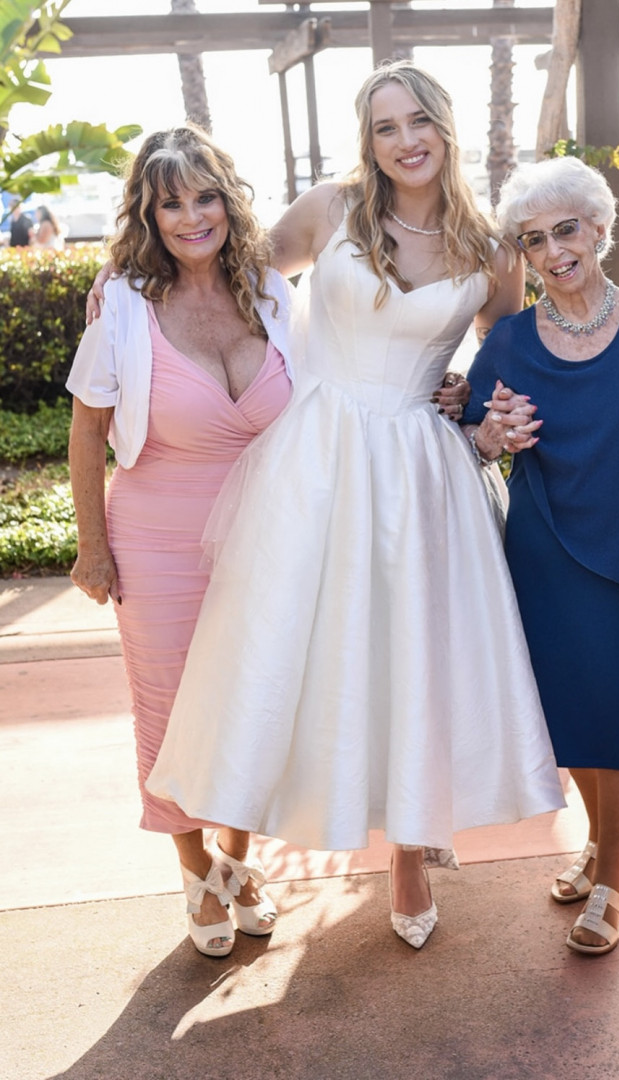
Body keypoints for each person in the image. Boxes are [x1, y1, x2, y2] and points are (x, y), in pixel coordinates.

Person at [144, 61, 565, 950]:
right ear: (366, 141)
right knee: (286, 648)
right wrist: (125, 297)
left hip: (421, 468)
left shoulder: (491, 248)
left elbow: (501, 354)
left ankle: (410, 855)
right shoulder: (330, 211)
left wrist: (474, 402)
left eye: (418, 121)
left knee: (413, 655)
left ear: (444, 126)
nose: (405, 140)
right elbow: (222, 272)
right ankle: (238, 845)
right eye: (384, 127)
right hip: (316, 457)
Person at [68, 126, 297, 957]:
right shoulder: (124, 304)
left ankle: (237, 858)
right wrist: (92, 547)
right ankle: (195, 868)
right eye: (171, 203)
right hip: (158, 540)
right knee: (169, 714)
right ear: (148, 215)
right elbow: (87, 430)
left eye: (206, 197)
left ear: (229, 203)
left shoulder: (272, 293)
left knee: (255, 706)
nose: (192, 217)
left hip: (265, 544)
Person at [461, 154, 619, 955]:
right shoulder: (508, 341)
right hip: (546, 553)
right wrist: (489, 433)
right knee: (578, 715)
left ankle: (614, 880)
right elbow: (468, 434)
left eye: (566, 231)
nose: (554, 252)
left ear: (598, 228)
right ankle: (602, 848)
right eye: (533, 240)